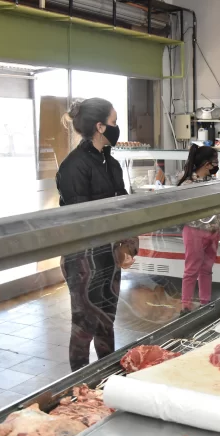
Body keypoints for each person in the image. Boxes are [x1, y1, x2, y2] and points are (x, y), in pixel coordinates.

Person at [56, 98, 138, 372]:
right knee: (84, 321)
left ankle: (107, 373)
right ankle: (78, 382)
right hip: (83, 257)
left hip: (108, 252)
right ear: (100, 126)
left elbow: (122, 203)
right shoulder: (73, 166)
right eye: (114, 122)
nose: (117, 128)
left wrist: (128, 239)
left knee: (107, 316)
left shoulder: (111, 164)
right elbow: (81, 218)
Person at [177, 145, 220, 314]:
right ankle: (185, 307)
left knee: (207, 269)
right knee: (191, 270)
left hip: (213, 231)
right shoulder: (187, 184)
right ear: (207, 164)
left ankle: (205, 304)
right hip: (194, 231)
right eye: (215, 161)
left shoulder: (213, 182)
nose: (217, 165)